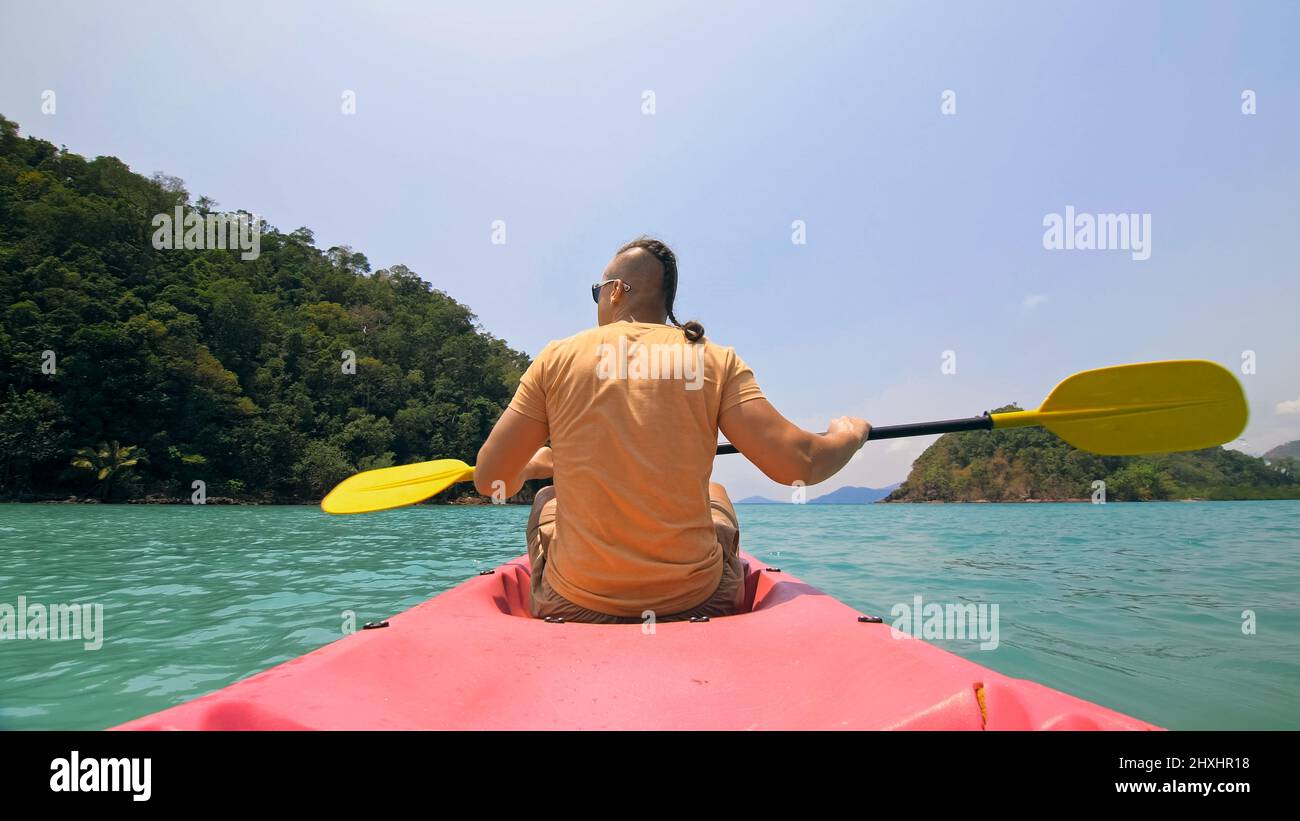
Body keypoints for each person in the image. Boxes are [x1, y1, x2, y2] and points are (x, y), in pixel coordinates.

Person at [475, 236, 870, 623]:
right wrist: (849, 434)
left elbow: (491, 480)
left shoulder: (557, 358)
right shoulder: (712, 358)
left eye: (596, 291)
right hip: (698, 599)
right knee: (716, 493)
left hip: (574, 602)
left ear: (614, 292)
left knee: (548, 496)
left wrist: (526, 468)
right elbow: (799, 464)